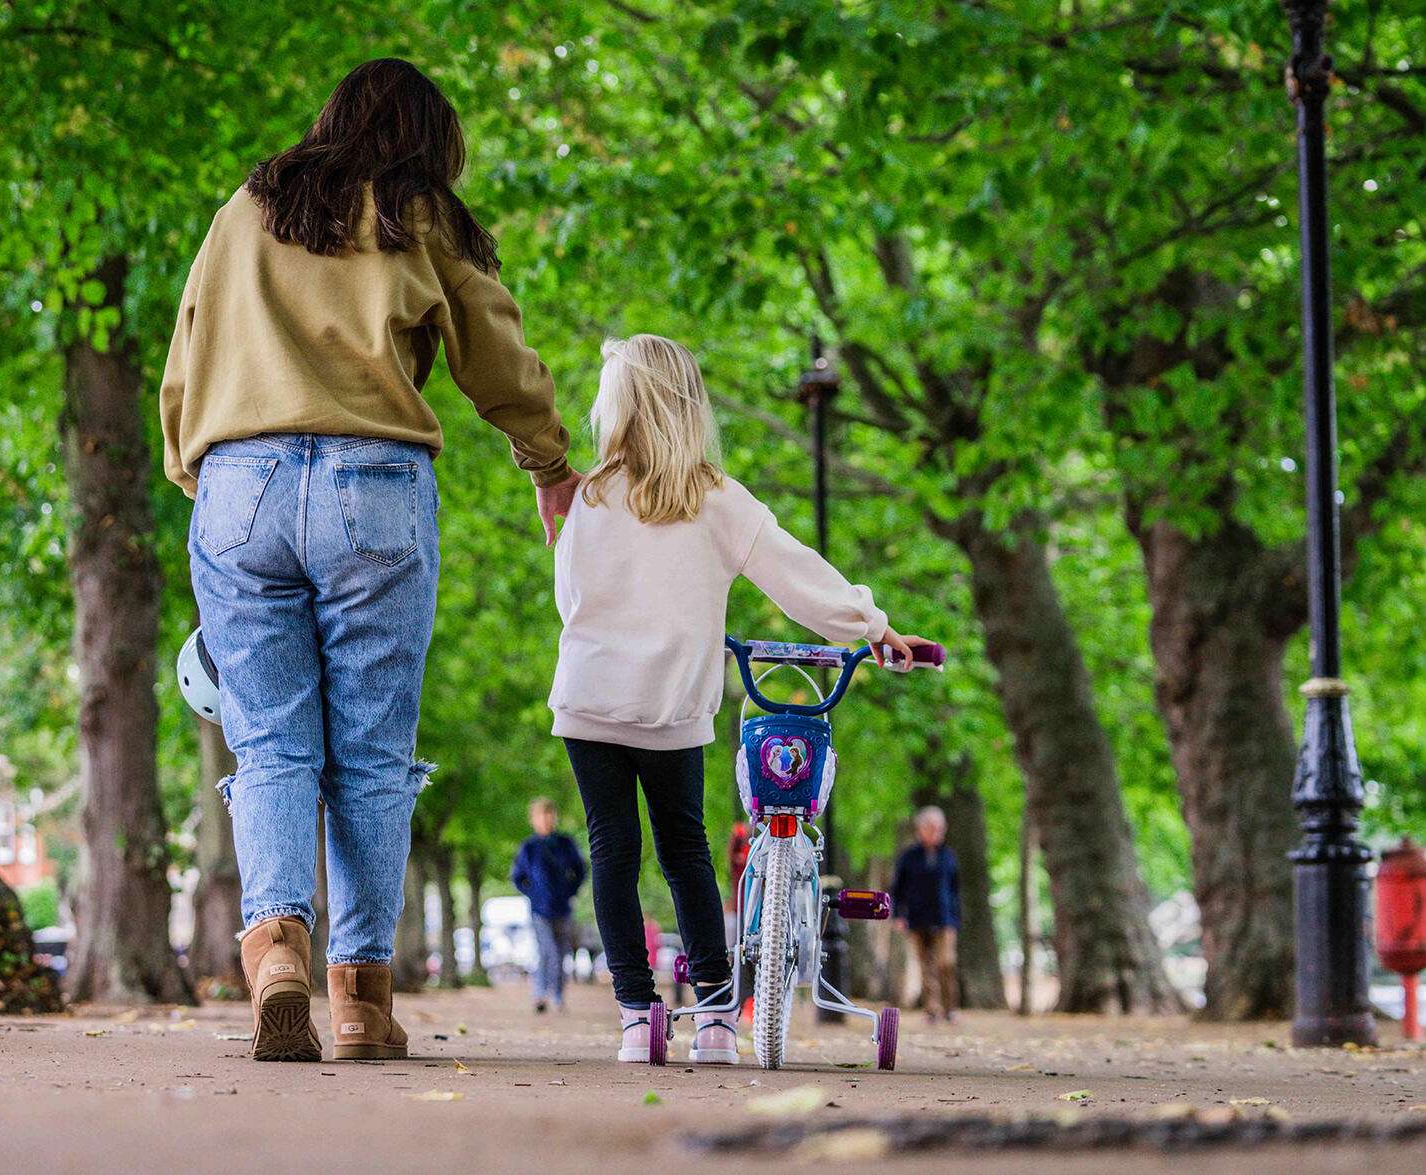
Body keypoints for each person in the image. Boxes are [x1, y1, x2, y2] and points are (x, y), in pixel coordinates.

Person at [159, 59, 581, 1062]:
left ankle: (277, 949)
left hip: (238, 482)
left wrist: (198, 470)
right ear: (427, 140)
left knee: (270, 741)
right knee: (374, 750)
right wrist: (551, 462)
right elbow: (494, 350)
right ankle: (360, 998)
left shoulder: (248, 207)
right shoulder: (417, 211)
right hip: (374, 486)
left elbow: (188, 347)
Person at [547, 334, 934, 1064]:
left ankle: (637, 1016)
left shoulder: (591, 495)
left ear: (621, 405)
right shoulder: (716, 497)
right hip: (673, 706)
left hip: (591, 698)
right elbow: (798, 576)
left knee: (613, 848)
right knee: (686, 851)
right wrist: (873, 627)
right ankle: (717, 1018)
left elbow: (573, 601)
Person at [511, 798, 587, 1013]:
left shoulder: (565, 843)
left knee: (562, 952)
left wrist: (569, 891)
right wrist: (533, 894)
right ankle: (541, 993)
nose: (545, 819)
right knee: (547, 951)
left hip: (563, 907)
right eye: (540, 815)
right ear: (533, 820)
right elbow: (518, 877)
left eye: (549, 814)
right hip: (539, 909)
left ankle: (558, 995)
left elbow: (580, 870)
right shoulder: (529, 847)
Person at [891, 806, 962, 1024]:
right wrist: (898, 916)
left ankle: (950, 1007)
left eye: (940, 828)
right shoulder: (908, 857)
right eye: (932, 828)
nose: (937, 832)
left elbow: (955, 889)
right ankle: (932, 1009)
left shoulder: (948, 856)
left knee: (946, 963)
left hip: (944, 918)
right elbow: (897, 888)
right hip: (917, 917)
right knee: (925, 966)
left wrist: (956, 918)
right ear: (920, 829)